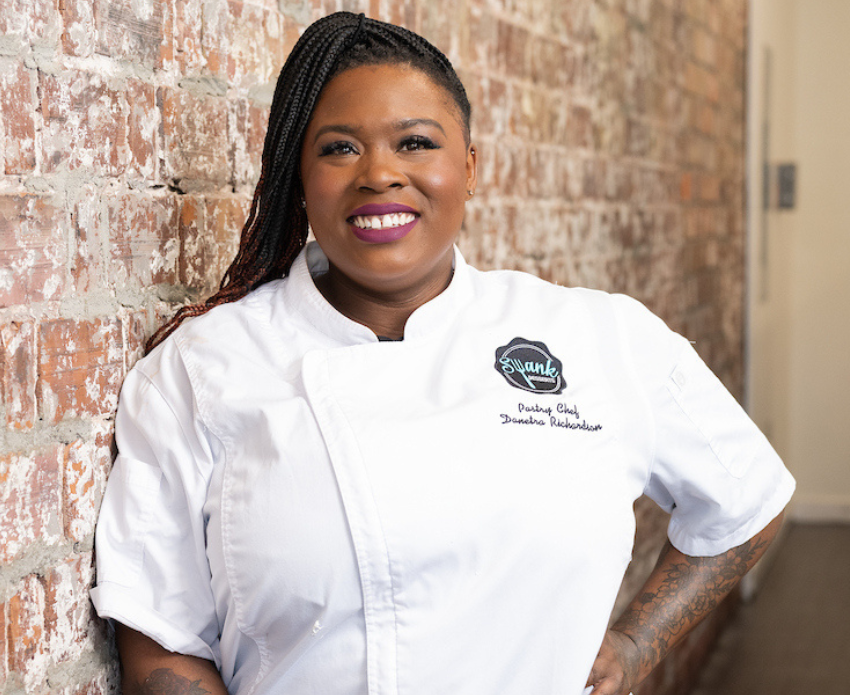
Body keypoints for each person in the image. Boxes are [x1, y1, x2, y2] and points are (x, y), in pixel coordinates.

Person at [91, 12, 794, 695]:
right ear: (299, 178)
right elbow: (161, 635)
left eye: (416, 142)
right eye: (338, 148)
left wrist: (638, 643)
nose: (379, 174)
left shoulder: (597, 336)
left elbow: (746, 495)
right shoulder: (202, 370)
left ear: (470, 165)